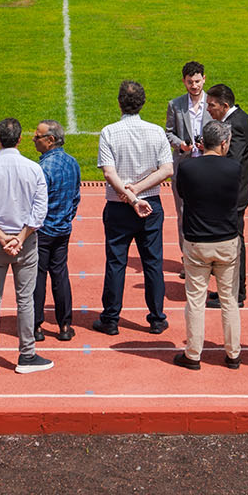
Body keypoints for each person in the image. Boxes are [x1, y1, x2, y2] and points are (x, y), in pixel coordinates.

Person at [0, 118, 54, 375]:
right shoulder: (33, 169)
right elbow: (40, 210)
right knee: (25, 300)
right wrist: (20, 236)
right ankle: (27, 355)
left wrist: (2, 237)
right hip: (25, 244)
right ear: (19, 140)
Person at [92, 80, 174, 335]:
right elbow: (167, 170)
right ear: (143, 103)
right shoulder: (156, 131)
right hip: (150, 205)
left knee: (116, 262)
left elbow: (108, 172)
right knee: (152, 263)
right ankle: (157, 318)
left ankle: (111, 319)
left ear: (119, 103)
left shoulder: (109, 132)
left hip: (119, 206)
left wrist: (130, 194)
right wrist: (138, 193)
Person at [172, 119, 244, 370]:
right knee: (229, 300)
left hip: (196, 241)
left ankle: (193, 354)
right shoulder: (234, 168)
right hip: (226, 241)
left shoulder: (189, 168)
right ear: (224, 143)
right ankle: (233, 354)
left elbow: (182, 193)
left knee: (195, 299)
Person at [205, 83, 248, 307]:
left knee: (234, 244)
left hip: (233, 196)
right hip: (235, 194)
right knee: (230, 243)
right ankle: (230, 290)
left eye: (212, 105)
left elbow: (232, 162)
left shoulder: (235, 124)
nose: (208, 110)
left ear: (225, 105)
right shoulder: (235, 121)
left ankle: (236, 294)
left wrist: (209, 155)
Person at [31, 119, 80, 343]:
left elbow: (35, 203)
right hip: (63, 229)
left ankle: (36, 326)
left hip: (42, 231)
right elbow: (76, 197)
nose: (34, 139)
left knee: (38, 277)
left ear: (50, 140)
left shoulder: (41, 169)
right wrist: (67, 218)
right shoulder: (73, 163)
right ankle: (64, 325)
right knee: (60, 275)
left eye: (37, 136)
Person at [166, 61, 210, 232]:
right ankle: (186, 254)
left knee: (207, 211)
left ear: (204, 79)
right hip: (183, 166)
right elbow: (168, 133)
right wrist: (181, 145)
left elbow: (223, 131)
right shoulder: (175, 105)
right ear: (184, 81)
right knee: (183, 212)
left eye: (197, 81)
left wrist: (208, 145)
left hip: (207, 165)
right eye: (190, 82)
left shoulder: (213, 103)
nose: (194, 86)